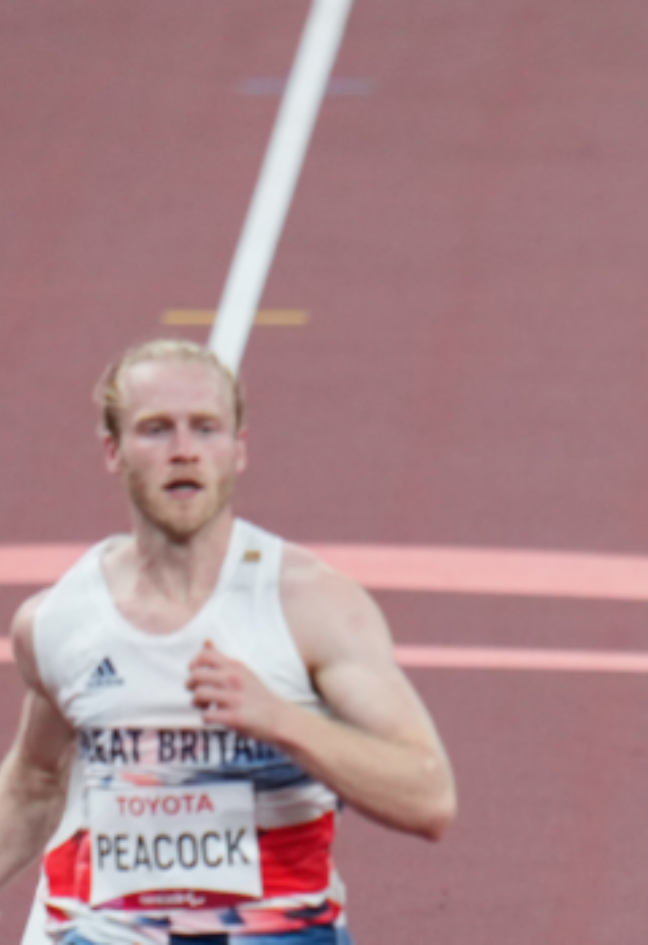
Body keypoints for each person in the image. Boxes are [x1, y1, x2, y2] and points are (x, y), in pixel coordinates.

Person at [0, 340, 456, 944]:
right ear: (113, 451)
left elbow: (428, 796)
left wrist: (282, 722)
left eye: (206, 429)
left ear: (237, 450)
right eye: (156, 429)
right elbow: (35, 782)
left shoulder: (309, 607)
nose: (184, 450)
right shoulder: (60, 621)